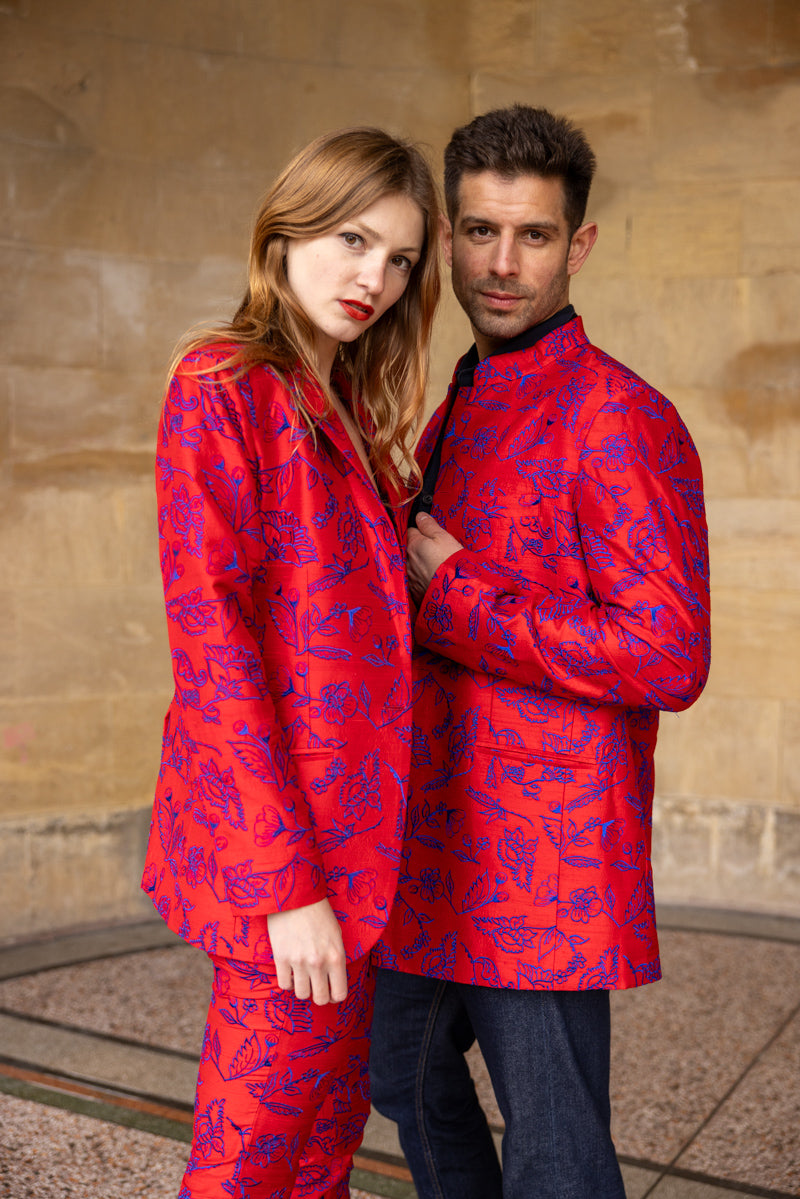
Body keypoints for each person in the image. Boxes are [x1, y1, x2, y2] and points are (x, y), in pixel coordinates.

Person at [369, 105, 711, 1199]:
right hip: (432, 838)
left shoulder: (618, 417)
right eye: (477, 232)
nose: (500, 264)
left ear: (580, 242)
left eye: (531, 235)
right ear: (447, 233)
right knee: (398, 1071)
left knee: (556, 1151)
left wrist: (459, 590)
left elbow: (668, 654)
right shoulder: (454, 400)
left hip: (544, 857)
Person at [140, 126, 440, 1199]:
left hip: (363, 854)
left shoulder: (351, 406)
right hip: (289, 866)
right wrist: (286, 888)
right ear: (289, 227)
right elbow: (214, 650)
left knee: (322, 1140)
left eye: (401, 258)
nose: (374, 276)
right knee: (250, 1154)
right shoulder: (221, 383)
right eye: (354, 238)